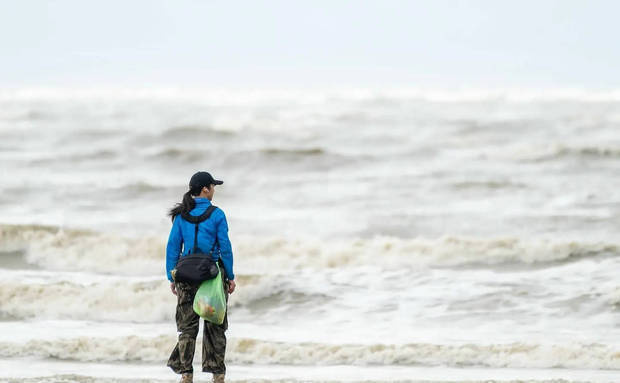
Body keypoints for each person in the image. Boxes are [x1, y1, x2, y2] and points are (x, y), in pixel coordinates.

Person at [165, 171, 236, 383]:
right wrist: (230, 276)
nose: (214, 190)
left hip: (186, 276)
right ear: (205, 189)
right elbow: (225, 248)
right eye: (213, 186)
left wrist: (172, 276)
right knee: (215, 326)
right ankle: (218, 376)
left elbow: (173, 248)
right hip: (212, 276)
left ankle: (186, 375)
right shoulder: (217, 214)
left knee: (187, 328)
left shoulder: (181, 216)